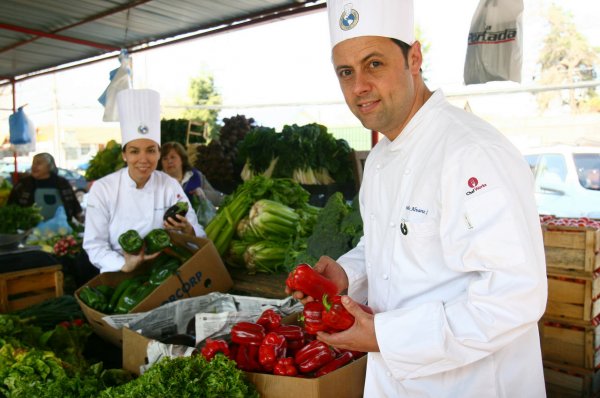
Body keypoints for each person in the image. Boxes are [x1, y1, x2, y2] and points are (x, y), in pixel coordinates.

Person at [287, 1, 548, 396]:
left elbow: (514, 296)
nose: (358, 87)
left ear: (414, 58)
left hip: (471, 384)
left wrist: (384, 336)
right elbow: (384, 246)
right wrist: (347, 276)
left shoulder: (471, 152)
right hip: (397, 382)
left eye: (373, 64)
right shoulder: (378, 159)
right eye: (345, 72)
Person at [83, 89, 205, 276]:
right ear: (124, 155)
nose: (144, 159)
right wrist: (124, 263)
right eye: (134, 151)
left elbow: (197, 230)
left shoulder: (169, 185)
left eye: (150, 150)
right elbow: (94, 245)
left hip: (165, 272)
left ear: (158, 153)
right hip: (120, 274)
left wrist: (188, 230)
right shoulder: (103, 189)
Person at [8, 152, 83, 222]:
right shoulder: (23, 184)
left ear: (49, 166)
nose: (34, 166)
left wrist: (81, 220)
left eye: (38, 163)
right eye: (33, 163)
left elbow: (74, 205)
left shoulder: (62, 183)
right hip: (30, 229)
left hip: (60, 229)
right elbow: (11, 206)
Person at [159, 141, 224, 207]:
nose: (169, 161)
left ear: (182, 159)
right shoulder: (157, 181)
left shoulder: (196, 175)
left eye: (173, 157)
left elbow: (219, 199)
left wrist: (203, 194)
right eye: (165, 159)